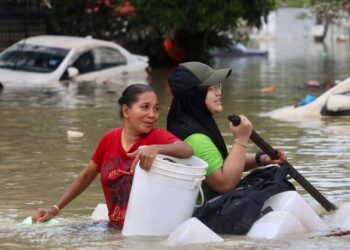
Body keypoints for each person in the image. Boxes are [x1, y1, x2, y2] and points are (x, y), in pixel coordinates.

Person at [32, 83, 193, 229]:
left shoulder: (158, 137)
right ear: (126, 110)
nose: (153, 114)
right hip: (114, 228)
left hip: (145, 231)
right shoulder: (109, 139)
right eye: (145, 107)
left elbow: (186, 149)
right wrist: (55, 208)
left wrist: (156, 149)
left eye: (156, 108)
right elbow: (86, 176)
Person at [166, 62, 287, 200]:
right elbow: (224, 183)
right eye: (211, 88)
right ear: (194, 94)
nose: (219, 92)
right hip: (205, 214)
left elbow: (222, 162)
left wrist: (261, 158)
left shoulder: (187, 123)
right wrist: (241, 139)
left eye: (218, 86)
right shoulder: (195, 137)